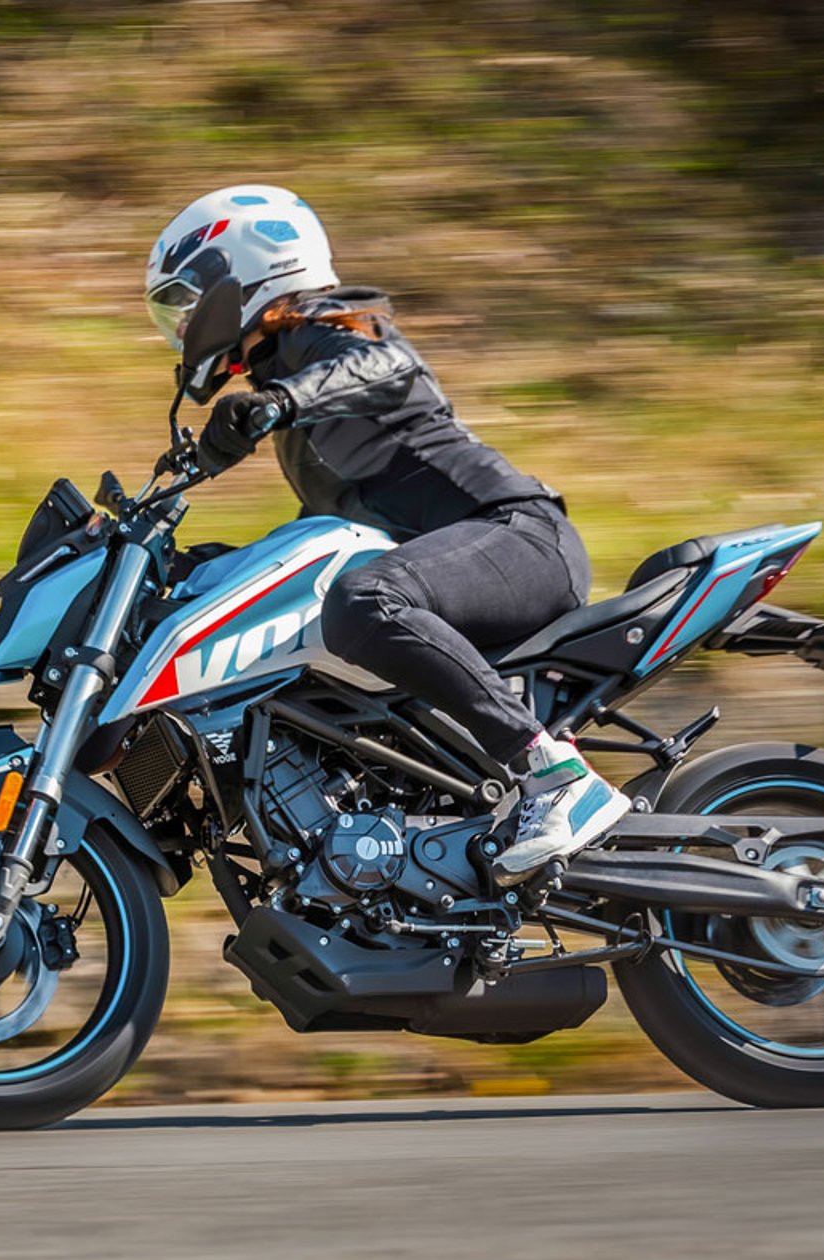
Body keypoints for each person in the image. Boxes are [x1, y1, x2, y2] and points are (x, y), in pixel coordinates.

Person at [143, 184, 630, 881]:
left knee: (362, 601)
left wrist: (279, 403)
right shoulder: (293, 384)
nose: (182, 326)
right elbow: (317, 542)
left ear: (241, 274)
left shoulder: (329, 329)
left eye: (187, 301)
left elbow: (385, 367)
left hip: (518, 536)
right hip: (459, 569)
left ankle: (559, 781)